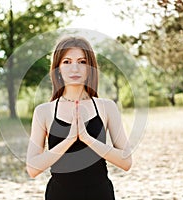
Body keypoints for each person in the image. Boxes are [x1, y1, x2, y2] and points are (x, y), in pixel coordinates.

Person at [26, 36, 132, 200]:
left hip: (99, 194)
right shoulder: (43, 111)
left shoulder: (107, 107)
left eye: (82, 62)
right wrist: (69, 140)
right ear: (57, 68)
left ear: (90, 68)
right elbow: (32, 169)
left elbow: (126, 162)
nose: (74, 68)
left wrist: (88, 139)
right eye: (67, 62)